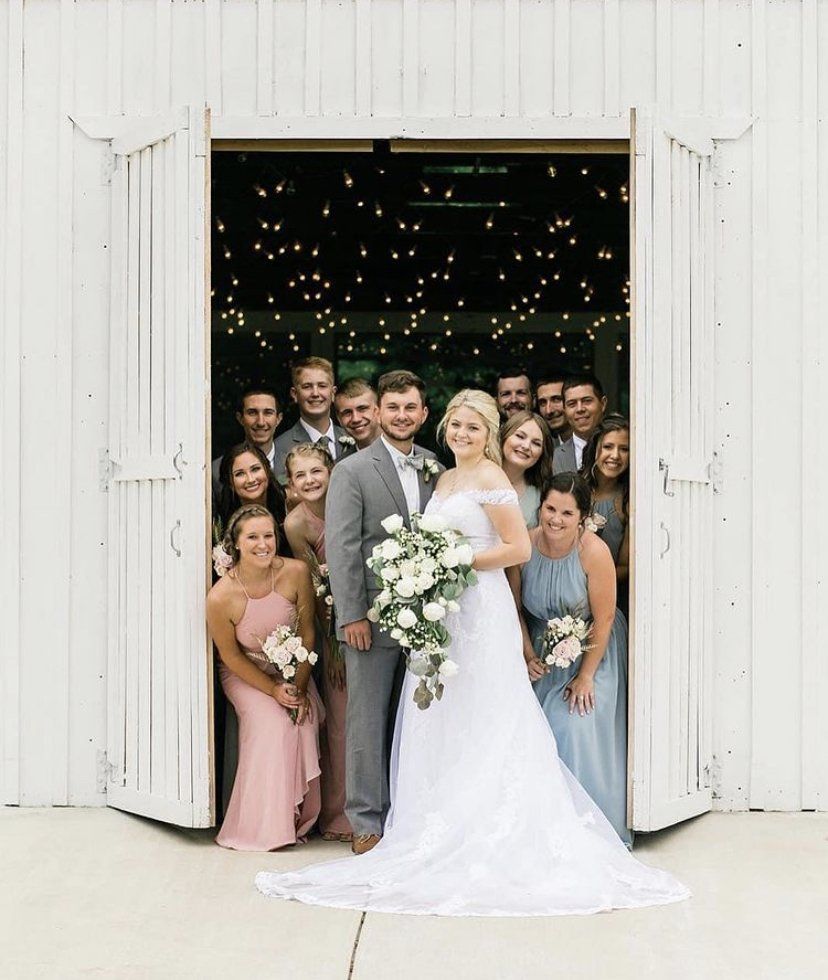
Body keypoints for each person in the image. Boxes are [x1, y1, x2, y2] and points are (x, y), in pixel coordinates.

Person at [256, 391, 688, 916]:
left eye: (474, 428)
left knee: (486, 713)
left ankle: (487, 824)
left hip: (480, 611)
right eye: (456, 425)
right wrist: (428, 568)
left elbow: (518, 549)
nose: (462, 434)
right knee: (440, 713)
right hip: (444, 614)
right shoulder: (444, 480)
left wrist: (454, 560)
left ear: (488, 434)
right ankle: (435, 819)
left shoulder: (490, 478)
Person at [321, 369, 441, 855]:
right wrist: (352, 616)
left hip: (428, 615)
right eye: (392, 407)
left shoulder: (435, 464)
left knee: (418, 719)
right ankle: (366, 820)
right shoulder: (352, 470)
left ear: (423, 413)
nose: (401, 415)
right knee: (367, 720)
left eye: (410, 407)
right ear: (377, 412)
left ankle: (411, 813)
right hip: (370, 616)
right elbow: (344, 547)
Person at [513, 474, 631, 845]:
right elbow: (513, 607)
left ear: (581, 516)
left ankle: (583, 828)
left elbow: (605, 617)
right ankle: (535, 828)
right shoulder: (524, 545)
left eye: (567, 512)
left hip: (594, 649)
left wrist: (585, 677)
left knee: (572, 725)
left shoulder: (592, 551)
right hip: (539, 650)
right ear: (540, 507)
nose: (556, 519)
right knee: (526, 727)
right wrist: (527, 654)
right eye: (550, 509)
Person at [206, 505, 323, 851]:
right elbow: (229, 656)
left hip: (292, 669)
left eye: (269, 535)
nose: (263, 544)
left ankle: (299, 817)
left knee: (304, 719)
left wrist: (298, 689)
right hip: (246, 674)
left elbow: (308, 633)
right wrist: (273, 690)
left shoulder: (297, 572)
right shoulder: (220, 596)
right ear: (237, 544)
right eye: (253, 537)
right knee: (273, 724)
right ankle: (263, 828)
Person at [283, 443, 351, 843]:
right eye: (300, 475)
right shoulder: (296, 525)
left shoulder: (349, 500)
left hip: (371, 617)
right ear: (291, 483)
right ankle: (339, 814)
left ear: (331, 471)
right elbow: (316, 589)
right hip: (330, 628)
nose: (310, 480)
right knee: (340, 723)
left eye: (316, 472)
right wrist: (334, 650)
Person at [273, 357, 356, 481]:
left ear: (333, 393)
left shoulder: (354, 440)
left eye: (322, 386)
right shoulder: (280, 448)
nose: (315, 393)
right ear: (294, 394)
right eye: (307, 386)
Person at [581, 415, 630, 610]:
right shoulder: (575, 488)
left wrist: (588, 583)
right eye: (608, 447)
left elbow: (626, 567)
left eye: (624, 449)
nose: (615, 455)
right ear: (595, 449)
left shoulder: (629, 500)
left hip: (608, 598)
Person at [211, 388, 283, 502]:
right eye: (252, 413)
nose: (261, 422)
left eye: (268, 413)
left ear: (278, 419)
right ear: (240, 418)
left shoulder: (295, 463)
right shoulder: (215, 471)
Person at [215, 442, 288, 554]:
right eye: (240, 474)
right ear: (230, 482)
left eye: (255, 469)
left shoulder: (288, 508)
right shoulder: (221, 527)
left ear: (267, 470)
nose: (250, 479)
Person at [499, 409, 554, 528]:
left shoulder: (541, 495)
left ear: (541, 454)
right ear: (504, 436)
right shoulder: (477, 476)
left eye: (536, 443)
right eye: (520, 436)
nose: (526, 446)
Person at [552, 374, 608, 474]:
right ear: (565, 410)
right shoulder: (554, 458)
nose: (580, 409)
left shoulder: (623, 449)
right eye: (572, 404)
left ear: (603, 404)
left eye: (587, 401)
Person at [334, 377, 381, 449]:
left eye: (362, 409)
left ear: (378, 410)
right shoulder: (344, 460)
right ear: (339, 419)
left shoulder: (402, 451)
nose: (356, 419)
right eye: (347, 413)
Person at [536, 374, 571, 445]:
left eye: (556, 399)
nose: (549, 411)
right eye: (543, 403)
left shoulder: (597, 445)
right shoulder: (545, 449)